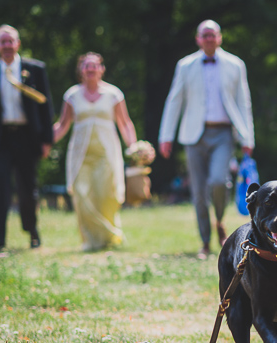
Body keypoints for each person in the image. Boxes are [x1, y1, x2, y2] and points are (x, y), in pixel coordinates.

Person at [158, 19, 255, 259]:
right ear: (198, 39)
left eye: (213, 35)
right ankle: (204, 242)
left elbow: (244, 102)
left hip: (223, 133)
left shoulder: (235, 64)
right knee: (199, 193)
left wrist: (247, 136)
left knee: (218, 182)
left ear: (220, 38)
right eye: (205, 35)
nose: (209, 39)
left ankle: (220, 220)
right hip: (193, 135)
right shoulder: (185, 65)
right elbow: (175, 100)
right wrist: (166, 136)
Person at [0, 24, 54, 251]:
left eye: (10, 41)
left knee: (27, 190)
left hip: (27, 138)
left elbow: (46, 108)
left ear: (18, 44)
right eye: (2, 41)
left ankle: (32, 232)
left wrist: (47, 140)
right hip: (0, 139)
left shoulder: (35, 69)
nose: (7, 45)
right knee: (0, 189)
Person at [52, 52, 137, 251]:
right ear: (81, 70)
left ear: (101, 69)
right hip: (80, 156)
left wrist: (134, 149)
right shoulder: (71, 95)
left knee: (106, 196)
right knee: (81, 196)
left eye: (94, 65)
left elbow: (124, 123)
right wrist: (44, 142)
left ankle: (109, 238)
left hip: (106, 155)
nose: (91, 69)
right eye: (86, 66)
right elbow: (62, 125)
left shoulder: (113, 94)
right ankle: (90, 241)